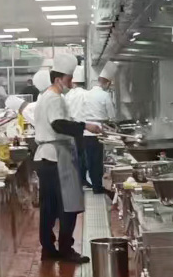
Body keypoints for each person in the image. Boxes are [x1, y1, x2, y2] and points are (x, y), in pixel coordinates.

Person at [34, 53, 102, 263]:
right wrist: (85, 126)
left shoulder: (46, 97)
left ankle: (48, 249)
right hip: (56, 157)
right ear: (58, 79)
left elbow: (61, 121)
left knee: (49, 208)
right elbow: (58, 125)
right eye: (68, 78)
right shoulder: (54, 99)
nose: (71, 83)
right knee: (68, 205)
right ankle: (65, 249)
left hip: (47, 158)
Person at [78, 62, 118, 194]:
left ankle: (95, 185)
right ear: (107, 83)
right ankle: (97, 187)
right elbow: (111, 115)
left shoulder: (86, 94)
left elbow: (81, 112)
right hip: (99, 131)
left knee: (90, 160)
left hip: (86, 131)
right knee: (97, 161)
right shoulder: (105, 95)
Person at [65, 65, 91, 183]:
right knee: (83, 154)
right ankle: (83, 178)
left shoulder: (68, 95)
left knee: (74, 154)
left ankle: (77, 179)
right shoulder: (86, 94)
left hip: (72, 128)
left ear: (73, 81)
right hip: (84, 128)